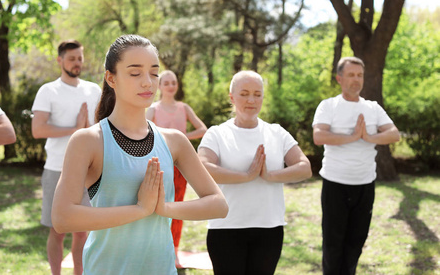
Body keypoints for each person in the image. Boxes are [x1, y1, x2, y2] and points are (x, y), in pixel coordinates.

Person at [51, 34, 228, 274]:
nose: (148, 82)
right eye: (135, 73)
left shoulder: (174, 141)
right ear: (111, 78)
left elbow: (218, 205)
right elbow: (63, 218)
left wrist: (164, 208)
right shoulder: (88, 141)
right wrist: (139, 210)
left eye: (154, 73)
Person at [198, 70, 312, 275]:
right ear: (231, 97)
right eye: (244, 93)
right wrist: (246, 176)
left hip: (269, 228)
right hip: (226, 228)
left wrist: (270, 176)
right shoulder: (216, 133)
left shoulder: (276, 132)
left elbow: (305, 167)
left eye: (257, 94)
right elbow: (203, 167)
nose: (251, 100)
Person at [312, 57, 400, 275]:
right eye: (351, 75)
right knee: (333, 244)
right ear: (339, 79)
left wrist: (368, 137)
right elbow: (319, 136)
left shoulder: (372, 108)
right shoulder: (328, 106)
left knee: (356, 242)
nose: (356, 80)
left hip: (365, 184)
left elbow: (394, 134)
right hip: (335, 183)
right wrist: (353, 137)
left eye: (360, 75)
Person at [31, 40, 101, 275]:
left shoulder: (94, 90)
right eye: (72, 58)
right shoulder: (48, 90)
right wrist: (75, 129)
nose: (77, 63)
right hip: (56, 169)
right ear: (60, 60)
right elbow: (37, 130)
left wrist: (88, 128)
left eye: (80, 58)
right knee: (57, 230)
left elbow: (102, 127)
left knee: (83, 231)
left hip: (88, 171)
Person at [146, 70, 207, 268]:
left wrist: (181, 138)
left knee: (177, 206)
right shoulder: (152, 108)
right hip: (158, 164)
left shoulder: (184, 107)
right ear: (160, 85)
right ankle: (153, 250)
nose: (171, 86)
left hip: (180, 164)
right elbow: (141, 131)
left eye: (174, 82)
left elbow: (202, 129)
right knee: (154, 206)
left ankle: (174, 252)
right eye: (166, 82)